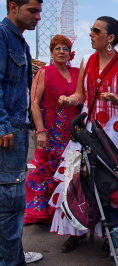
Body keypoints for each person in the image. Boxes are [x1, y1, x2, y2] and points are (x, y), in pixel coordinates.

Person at [54, 16, 118, 253]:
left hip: (114, 131)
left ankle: (108, 234)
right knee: (77, 179)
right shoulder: (86, 60)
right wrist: (69, 99)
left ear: (110, 38)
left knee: (110, 183)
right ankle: (76, 229)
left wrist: (116, 99)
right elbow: (80, 95)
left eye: (96, 30)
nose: (90, 33)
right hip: (88, 128)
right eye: (91, 29)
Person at [0, 0, 44, 264]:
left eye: (39, 11)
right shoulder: (3, 36)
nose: (38, 17)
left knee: (11, 201)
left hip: (16, 126)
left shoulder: (20, 42)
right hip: (8, 130)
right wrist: (2, 125)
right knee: (10, 202)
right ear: (13, 6)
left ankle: (13, 255)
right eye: (33, 10)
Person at [24, 35, 80, 225]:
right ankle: (43, 212)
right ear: (51, 52)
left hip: (73, 132)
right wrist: (40, 130)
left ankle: (63, 212)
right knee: (47, 169)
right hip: (51, 130)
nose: (61, 52)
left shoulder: (77, 72)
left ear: (70, 53)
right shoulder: (44, 72)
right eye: (57, 48)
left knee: (69, 171)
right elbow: (34, 103)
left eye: (65, 48)